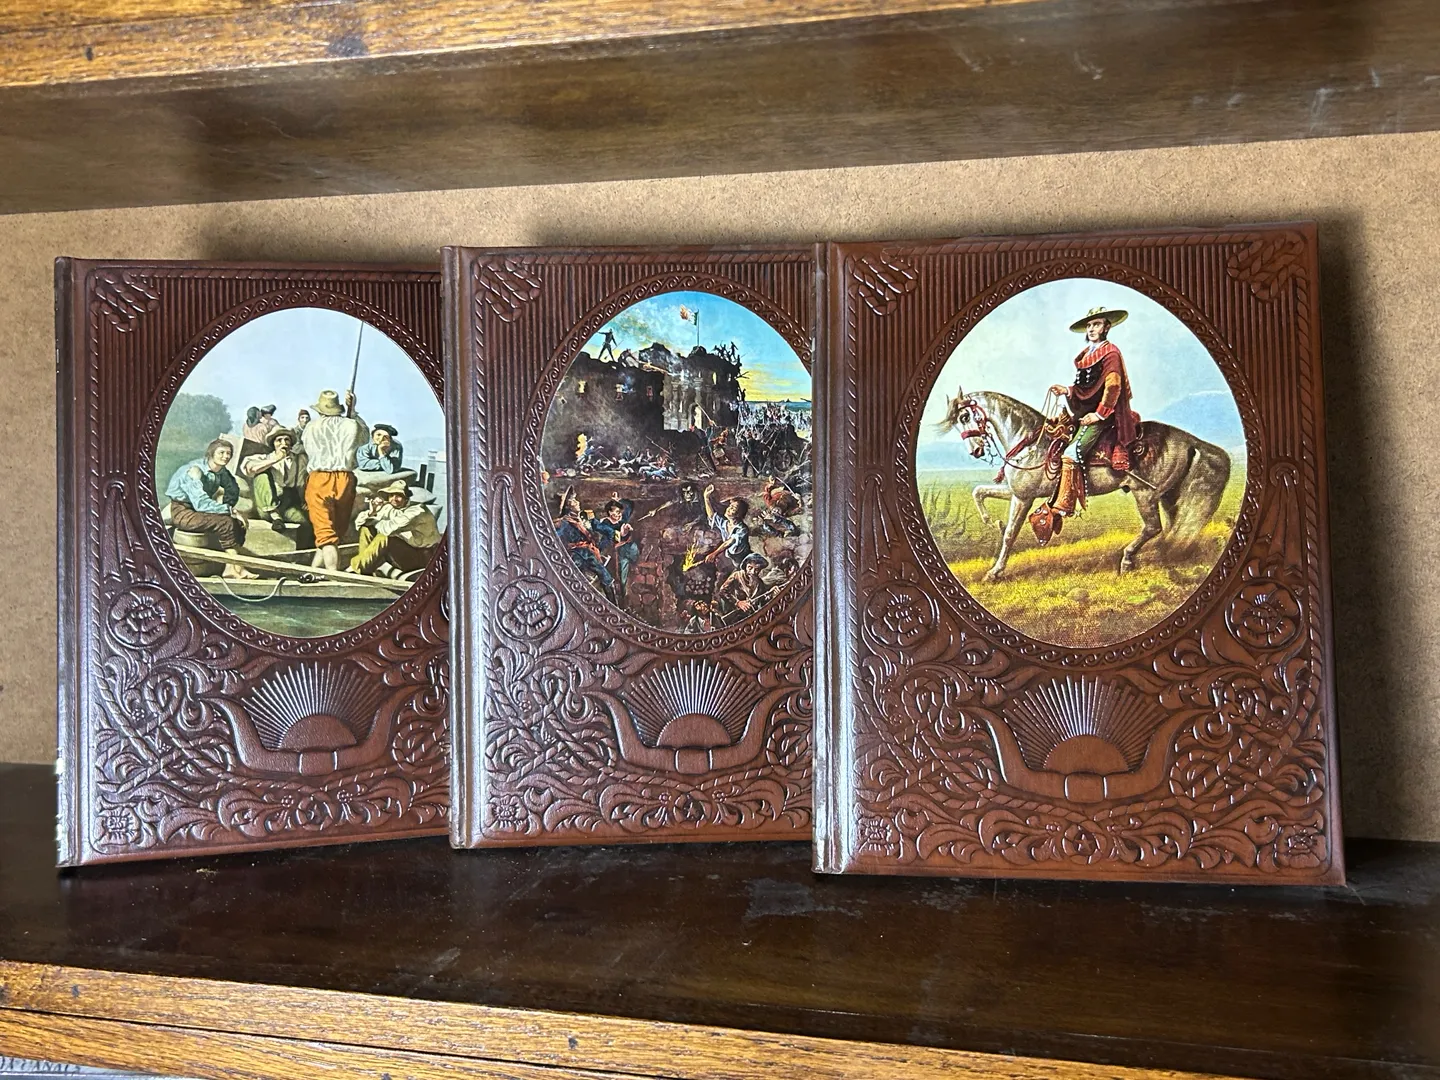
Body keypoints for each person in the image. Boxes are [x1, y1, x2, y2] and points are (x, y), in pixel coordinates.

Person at [1030, 306, 1142, 544]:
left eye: (1097, 324)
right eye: (1089, 325)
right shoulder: (1087, 354)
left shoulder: (1111, 353)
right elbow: (1087, 387)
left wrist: (1099, 415)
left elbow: (1112, 387)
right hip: (1086, 412)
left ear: (1106, 327)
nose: (1091, 329)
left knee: (1071, 453)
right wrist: (1067, 390)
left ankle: (1062, 507)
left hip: (1106, 415)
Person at [163, 439, 256, 580]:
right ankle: (236, 567)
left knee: (235, 523)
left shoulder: (221, 471)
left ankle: (232, 568)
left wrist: (228, 506)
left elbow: (233, 490)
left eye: (228, 453)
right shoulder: (195, 471)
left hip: (198, 511)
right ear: (211, 454)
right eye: (221, 453)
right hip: (183, 512)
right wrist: (230, 511)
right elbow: (200, 503)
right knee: (226, 523)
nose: (226, 456)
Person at [300, 389, 369, 571]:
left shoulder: (311, 427)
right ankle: (314, 572)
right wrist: (353, 412)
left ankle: (332, 576)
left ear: (320, 410)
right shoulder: (352, 425)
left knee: (326, 535)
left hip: (320, 479)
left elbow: (307, 447)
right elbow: (365, 439)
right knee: (332, 534)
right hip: (345, 480)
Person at [349, 480, 442, 578]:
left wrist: (374, 521)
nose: (394, 499)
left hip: (421, 558)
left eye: (399, 496)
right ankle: (365, 568)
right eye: (391, 495)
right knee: (366, 529)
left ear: (406, 498)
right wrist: (372, 512)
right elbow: (359, 524)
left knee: (384, 537)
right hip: (403, 552)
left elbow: (388, 528)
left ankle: (359, 566)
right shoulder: (390, 508)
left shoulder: (417, 511)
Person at [239, 427, 313, 549]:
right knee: (261, 475)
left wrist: (305, 501)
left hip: (287, 504)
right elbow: (251, 469)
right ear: (273, 444)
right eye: (279, 440)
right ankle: (275, 516)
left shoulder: (299, 460)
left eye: (287, 440)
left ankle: (304, 553)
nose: (283, 443)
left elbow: (301, 482)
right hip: (266, 507)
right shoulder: (263, 458)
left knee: (304, 522)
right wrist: (276, 459)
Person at [554, 489, 616, 603]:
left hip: (590, 554)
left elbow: (605, 530)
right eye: (573, 501)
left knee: (606, 578)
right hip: (575, 556)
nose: (577, 502)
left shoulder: (586, 517)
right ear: (567, 506)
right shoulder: (563, 523)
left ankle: (614, 606)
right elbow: (555, 540)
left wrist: (602, 545)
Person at [591, 495, 640, 604]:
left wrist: (619, 500)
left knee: (633, 559)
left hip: (626, 549)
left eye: (620, 512)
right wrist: (620, 533)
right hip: (612, 552)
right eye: (616, 512)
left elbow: (630, 505)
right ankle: (618, 598)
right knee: (618, 577)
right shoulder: (604, 523)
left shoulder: (622, 519)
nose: (619, 514)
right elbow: (605, 532)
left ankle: (623, 595)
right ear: (609, 512)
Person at [703, 485, 753, 572]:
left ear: (739, 514)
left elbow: (729, 542)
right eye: (730, 506)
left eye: (733, 508)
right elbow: (712, 516)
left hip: (744, 561)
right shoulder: (725, 524)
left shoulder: (742, 529)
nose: (729, 509)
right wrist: (706, 498)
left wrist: (714, 553)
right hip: (731, 559)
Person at [716, 553, 771, 623]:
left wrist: (771, 594)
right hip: (737, 616)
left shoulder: (759, 583)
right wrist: (738, 602)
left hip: (753, 616)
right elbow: (722, 591)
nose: (753, 572)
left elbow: (762, 600)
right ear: (745, 566)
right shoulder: (737, 575)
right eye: (750, 567)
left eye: (757, 569)